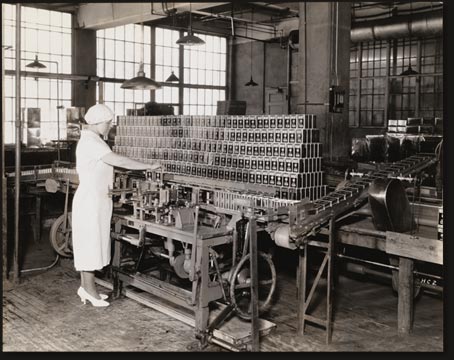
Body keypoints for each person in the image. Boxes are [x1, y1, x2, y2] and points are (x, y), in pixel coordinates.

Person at [72, 104, 160, 307]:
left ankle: (87, 288)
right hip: (90, 201)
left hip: (97, 200)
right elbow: (118, 160)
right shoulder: (91, 142)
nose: (110, 127)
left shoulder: (93, 139)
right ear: (99, 122)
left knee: (92, 245)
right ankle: (89, 291)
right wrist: (148, 165)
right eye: (108, 123)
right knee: (90, 246)